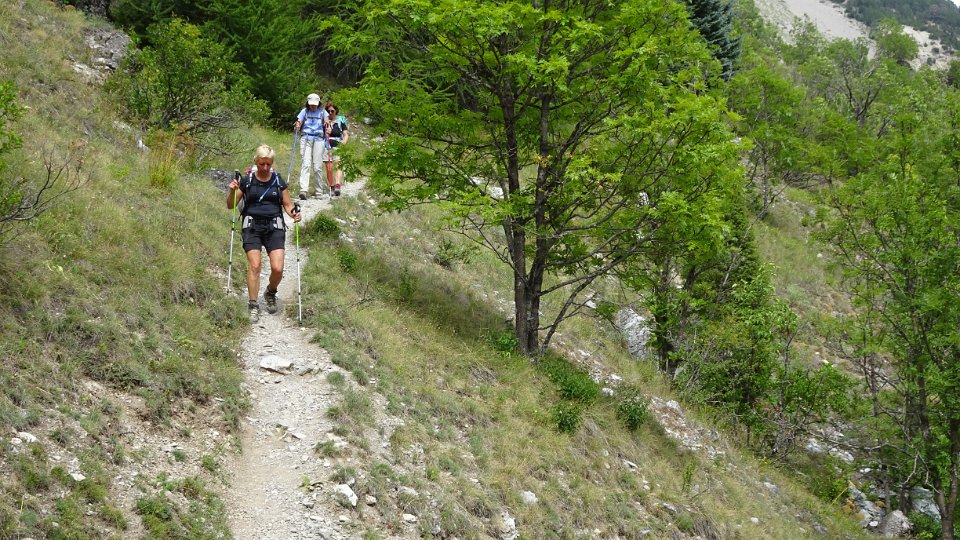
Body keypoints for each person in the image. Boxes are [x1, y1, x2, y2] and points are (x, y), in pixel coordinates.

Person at [227, 144, 302, 322]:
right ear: (256, 162)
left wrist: (294, 213)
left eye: (269, 164)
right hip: (252, 226)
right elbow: (231, 205)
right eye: (262, 164)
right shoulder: (247, 181)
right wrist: (232, 191)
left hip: (274, 226)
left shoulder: (277, 180)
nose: (266, 167)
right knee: (255, 265)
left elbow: (287, 204)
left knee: (278, 268)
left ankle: (270, 292)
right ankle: (253, 304)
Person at [293, 93, 329, 199]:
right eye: (311, 104)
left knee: (317, 166)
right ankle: (303, 190)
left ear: (318, 103)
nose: (313, 106)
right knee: (306, 164)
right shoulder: (304, 111)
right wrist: (297, 126)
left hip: (318, 139)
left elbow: (327, 121)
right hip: (306, 138)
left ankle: (319, 191)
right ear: (308, 103)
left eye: (315, 104)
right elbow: (299, 122)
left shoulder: (323, 112)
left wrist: (327, 126)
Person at [323, 102, 349, 197]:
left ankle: (337, 184)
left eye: (332, 111)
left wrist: (344, 141)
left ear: (336, 111)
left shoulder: (341, 121)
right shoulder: (324, 121)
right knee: (328, 167)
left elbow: (345, 134)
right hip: (326, 145)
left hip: (338, 145)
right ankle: (331, 185)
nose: (330, 113)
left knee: (338, 164)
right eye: (328, 111)